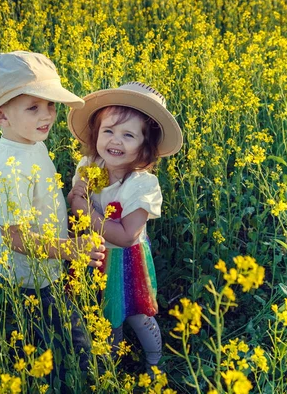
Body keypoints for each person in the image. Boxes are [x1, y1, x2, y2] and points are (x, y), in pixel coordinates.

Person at [0, 51, 106, 384]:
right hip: (31, 282)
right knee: (65, 346)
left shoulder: (31, 141)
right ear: (0, 116)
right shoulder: (7, 170)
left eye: (50, 105)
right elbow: (15, 237)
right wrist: (69, 249)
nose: (47, 115)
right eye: (33, 107)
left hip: (49, 267)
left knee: (52, 341)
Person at [67, 81, 183, 372]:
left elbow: (126, 236)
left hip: (126, 259)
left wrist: (82, 209)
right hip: (94, 254)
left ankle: (155, 359)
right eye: (108, 131)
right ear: (96, 133)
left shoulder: (143, 184)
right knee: (105, 312)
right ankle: (113, 363)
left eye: (128, 135)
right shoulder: (89, 164)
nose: (115, 141)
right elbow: (75, 196)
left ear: (146, 146)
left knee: (135, 314)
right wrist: (77, 198)